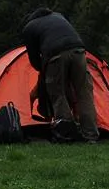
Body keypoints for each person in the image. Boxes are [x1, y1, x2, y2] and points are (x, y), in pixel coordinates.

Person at [21, 7, 99, 143]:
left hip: (55, 55)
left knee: (58, 95)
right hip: (79, 50)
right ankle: (91, 135)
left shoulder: (29, 28)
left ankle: (67, 134)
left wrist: (44, 72)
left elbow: (34, 58)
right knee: (84, 93)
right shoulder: (58, 16)